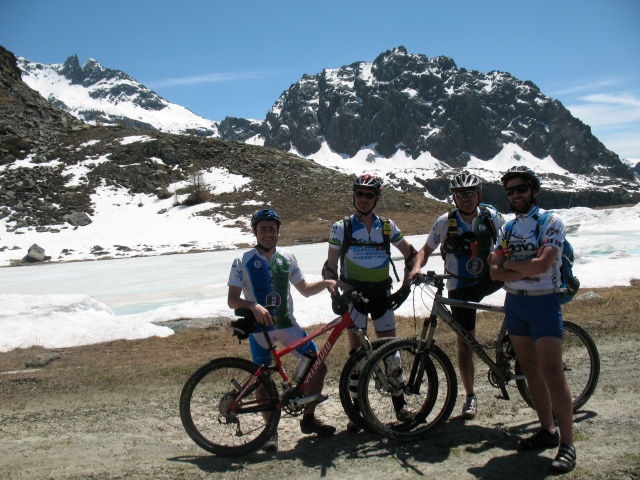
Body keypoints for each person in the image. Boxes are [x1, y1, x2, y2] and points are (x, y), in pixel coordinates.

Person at [227, 208, 337, 453]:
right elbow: (233, 300)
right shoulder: (241, 260)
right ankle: (270, 431)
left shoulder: (288, 257)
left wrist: (326, 282)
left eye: (272, 229)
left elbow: (304, 289)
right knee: (263, 380)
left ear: (278, 232)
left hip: (287, 325)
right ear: (255, 232)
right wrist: (252, 305)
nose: (268, 233)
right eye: (263, 229)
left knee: (318, 366)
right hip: (260, 331)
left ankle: (308, 418)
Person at [489, 165, 576, 474]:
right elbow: (493, 272)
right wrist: (521, 266)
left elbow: (543, 265)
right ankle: (547, 430)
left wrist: (509, 266)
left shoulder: (551, 221)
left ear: (534, 190)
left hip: (543, 302)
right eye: (510, 191)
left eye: (521, 189)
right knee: (530, 371)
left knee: (553, 373)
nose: (516, 195)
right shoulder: (507, 228)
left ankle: (568, 444)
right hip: (515, 303)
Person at [323, 174, 417, 432]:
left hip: (381, 295)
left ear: (377, 198)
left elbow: (411, 255)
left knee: (390, 350)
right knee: (358, 356)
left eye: (369, 195)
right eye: (359, 194)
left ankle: (400, 404)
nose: (363, 199)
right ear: (353, 196)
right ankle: (357, 412)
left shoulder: (387, 226)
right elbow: (330, 267)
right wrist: (334, 294)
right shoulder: (341, 227)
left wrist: (405, 288)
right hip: (354, 296)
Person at [408, 172, 505, 419]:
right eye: (460, 194)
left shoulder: (491, 217)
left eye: (470, 193)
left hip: (488, 280)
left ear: (479, 195)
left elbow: (509, 243)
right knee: (465, 344)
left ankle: (513, 345)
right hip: (459, 286)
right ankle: (470, 396)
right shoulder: (445, 221)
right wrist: (416, 268)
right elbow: (425, 250)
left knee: (517, 300)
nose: (465, 198)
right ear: (454, 198)